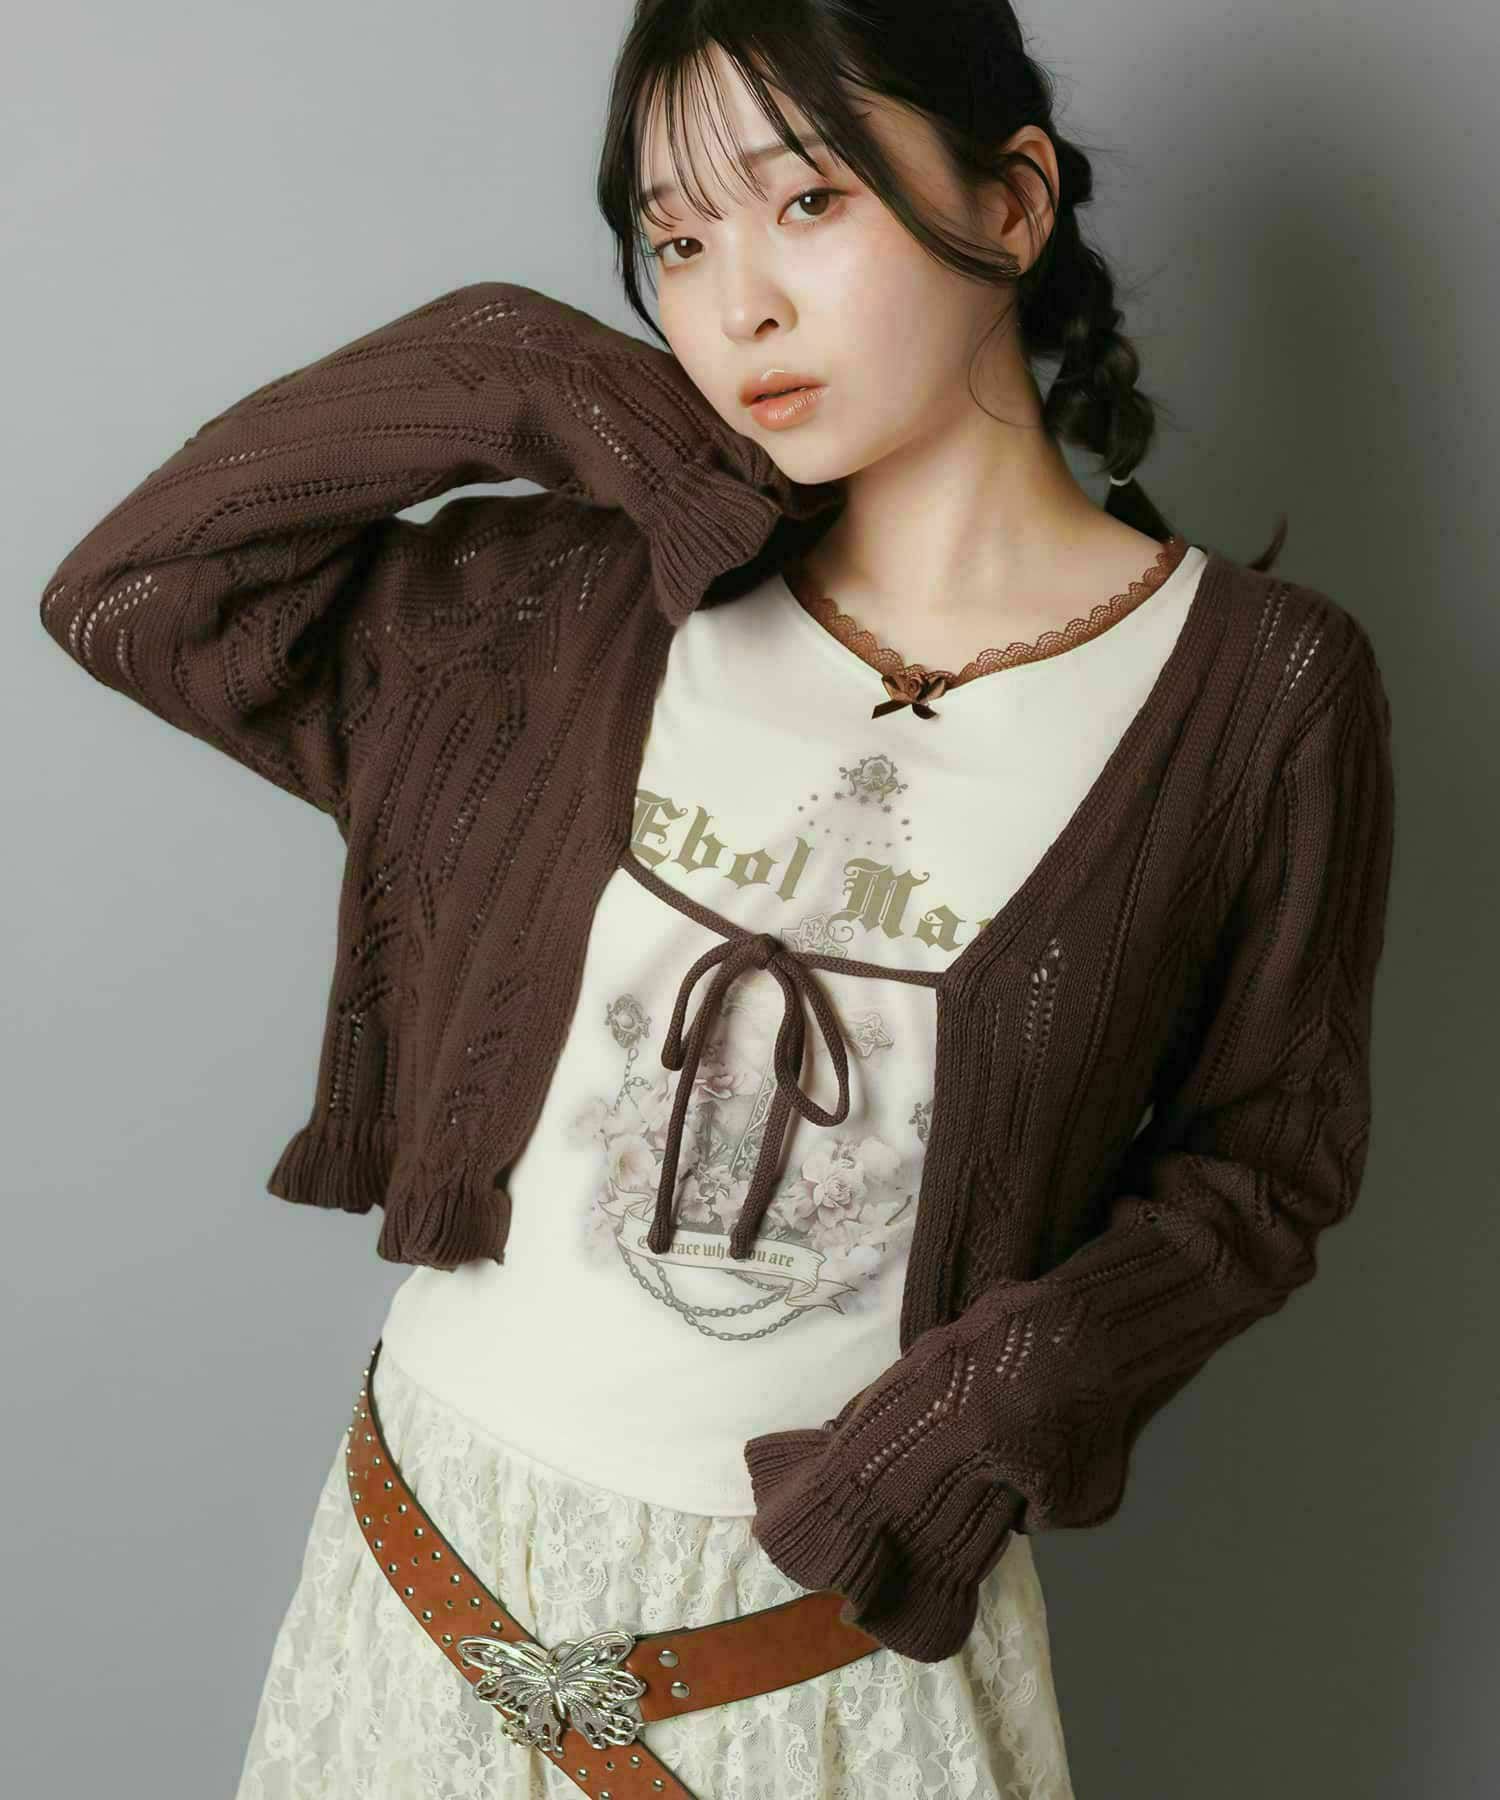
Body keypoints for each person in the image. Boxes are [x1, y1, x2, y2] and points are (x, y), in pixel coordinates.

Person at [39, 5, 1394, 1798]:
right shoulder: (577, 606)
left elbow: (1263, 1165)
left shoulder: (1259, 691)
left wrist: (979, 1422)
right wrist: (512, 356)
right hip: (427, 1582)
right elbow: (137, 596)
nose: (735, 304)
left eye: (807, 202)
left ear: (1010, 203)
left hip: (831, 1640)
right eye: (675, 241)